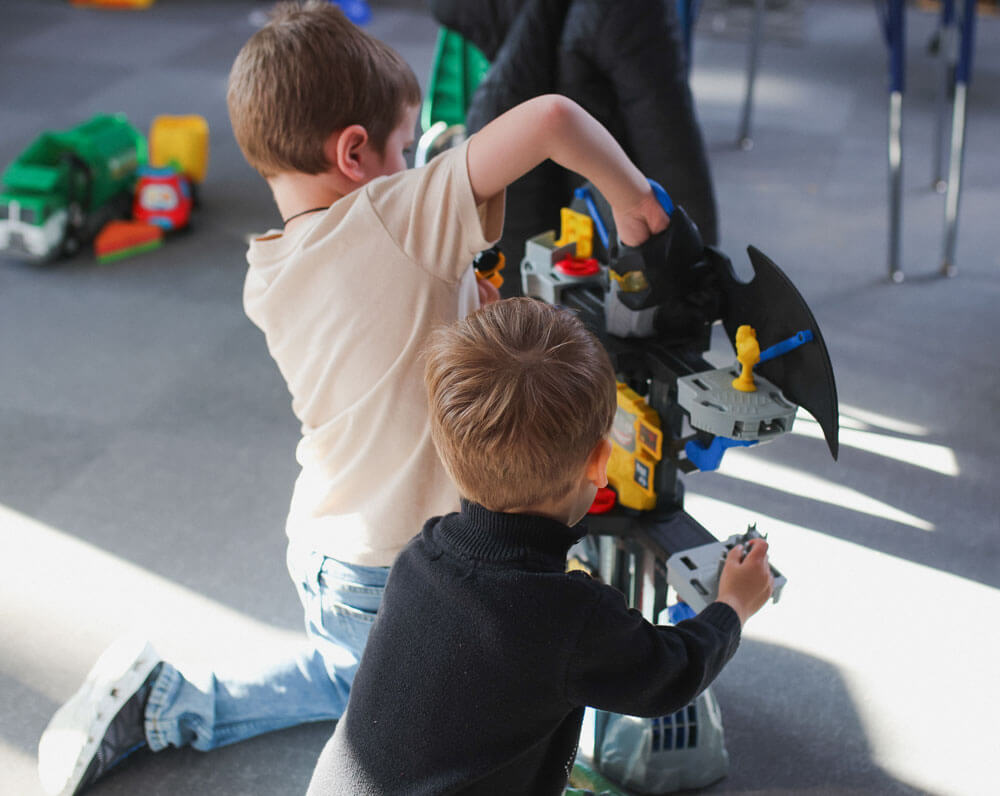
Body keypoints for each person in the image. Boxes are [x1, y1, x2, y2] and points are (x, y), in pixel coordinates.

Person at [37, 2, 670, 794]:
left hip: (326, 539)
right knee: (406, 703)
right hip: (399, 557)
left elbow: (384, 339)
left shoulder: (267, 268)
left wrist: (459, 295)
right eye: (405, 148)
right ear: (355, 152)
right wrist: (631, 199)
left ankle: (179, 696)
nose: (413, 165)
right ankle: (173, 706)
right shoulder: (392, 215)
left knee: (354, 676)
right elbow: (548, 118)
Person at [306, 297, 774, 795]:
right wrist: (733, 605)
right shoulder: (570, 616)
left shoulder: (422, 556)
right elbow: (671, 674)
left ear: (448, 454)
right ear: (600, 463)